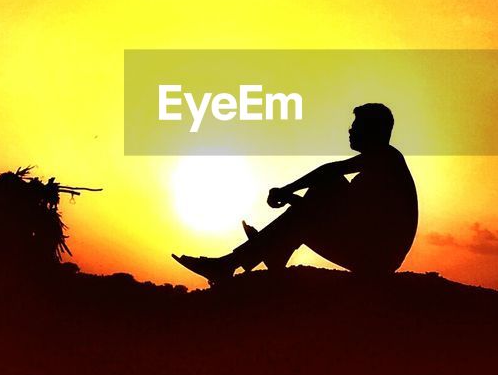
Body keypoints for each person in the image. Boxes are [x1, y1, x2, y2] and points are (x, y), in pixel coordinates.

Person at [173, 103, 417, 285]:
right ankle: (270, 251)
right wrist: (294, 201)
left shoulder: (386, 158)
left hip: (374, 258)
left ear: (373, 131)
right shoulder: (380, 167)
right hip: (368, 248)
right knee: (323, 188)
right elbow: (335, 212)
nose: (350, 130)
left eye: (357, 126)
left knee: (324, 184)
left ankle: (234, 262)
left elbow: (332, 182)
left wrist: (288, 192)